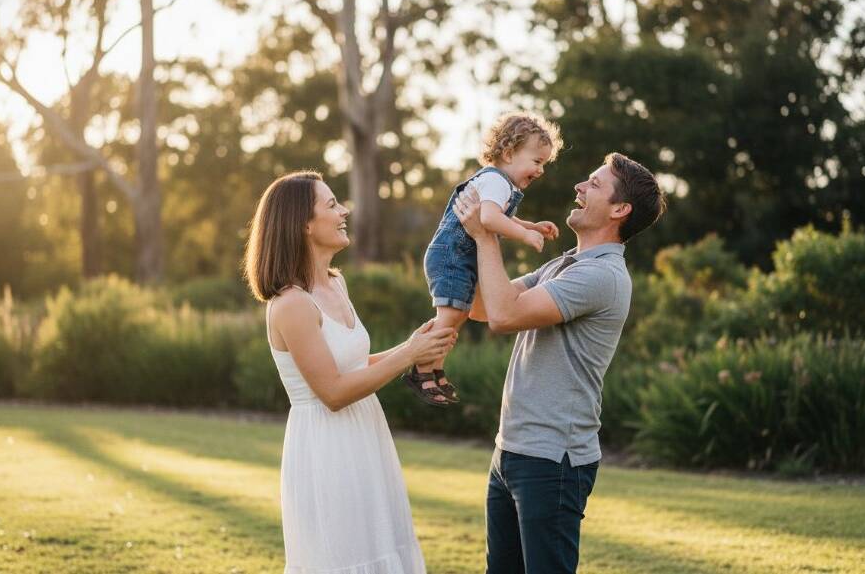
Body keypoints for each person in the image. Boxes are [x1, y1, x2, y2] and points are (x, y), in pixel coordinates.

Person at [454, 153, 667, 573]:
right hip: (512, 450)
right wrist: (473, 231)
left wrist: (486, 236)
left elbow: (504, 317)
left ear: (619, 210)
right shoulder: (562, 264)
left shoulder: (601, 277)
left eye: (593, 183)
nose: (579, 187)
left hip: (553, 461)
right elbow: (481, 306)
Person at [243, 170, 456, 574]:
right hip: (326, 448)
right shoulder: (291, 305)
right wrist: (408, 353)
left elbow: (356, 365)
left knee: (382, 544)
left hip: (365, 436)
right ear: (303, 225)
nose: (343, 211)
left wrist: (416, 347)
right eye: (331, 204)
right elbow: (334, 392)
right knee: (345, 557)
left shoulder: (336, 284)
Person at [403, 112, 564, 407]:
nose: (540, 171)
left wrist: (531, 226)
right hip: (453, 257)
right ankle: (420, 370)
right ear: (508, 153)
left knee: (456, 318)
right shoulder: (495, 181)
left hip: (458, 258)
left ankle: (436, 369)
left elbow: (498, 217)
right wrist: (524, 236)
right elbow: (489, 218)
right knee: (449, 318)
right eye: (537, 162)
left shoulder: (500, 184)